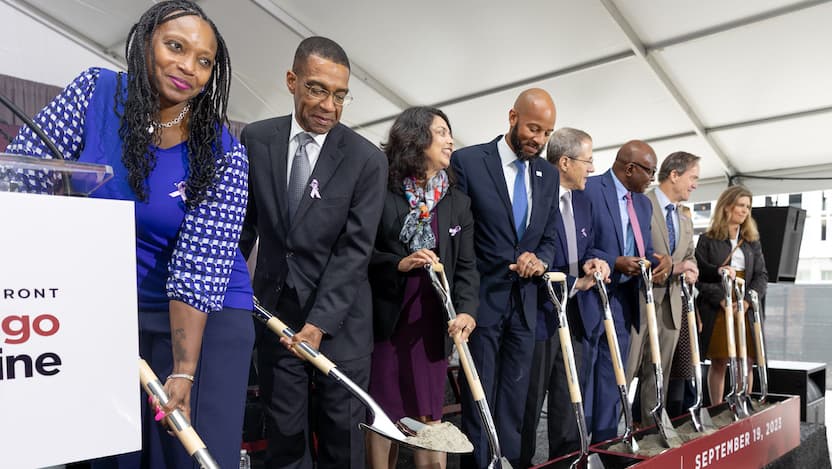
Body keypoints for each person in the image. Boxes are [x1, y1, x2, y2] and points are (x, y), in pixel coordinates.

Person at [7, 2, 253, 467]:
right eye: (175, 47)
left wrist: (184, 370)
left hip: (203, 317)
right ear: (145, 43)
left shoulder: (223, 153)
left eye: (204, 61)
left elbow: (199, 268)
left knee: (180, 456)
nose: (188, 67)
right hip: (108, 310)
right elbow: (23, 177)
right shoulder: (94, 93)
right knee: (111, 453)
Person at [239, 36, 387, 469]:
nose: (329, 105)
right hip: (275, 322)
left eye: (340, 95)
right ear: (292, 80)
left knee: (343, 445)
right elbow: (244, 228)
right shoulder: (257, 139)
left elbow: (354, 251)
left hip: (340, 328)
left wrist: (319, 323)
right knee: (285, 442)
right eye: (318, 89)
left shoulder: (365, 160)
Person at [451, 88, 560, 468]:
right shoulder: (467, 162)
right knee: (479, 399)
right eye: (533, 128)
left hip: (526, 304)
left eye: (546, 133)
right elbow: (460, 233)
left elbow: (549, 235)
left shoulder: (548, 174)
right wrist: (513, 259)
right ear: (512, 117)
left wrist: (540, 260)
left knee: (514, 400)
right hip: (481, 302)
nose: (539, 140)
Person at [367, 106, 479, 469]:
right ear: (416, 138)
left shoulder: (458, 201)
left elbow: (466, 267)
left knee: (430, 415)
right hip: (386, 320)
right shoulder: (381, 190)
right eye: (442, 132)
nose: (450, 140)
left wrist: (466, 311)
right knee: (384, 414)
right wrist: (396, 263)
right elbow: (359, 252)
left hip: (432, 325)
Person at [519, 128, 609, 466]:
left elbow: (595, 242)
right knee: (530, 403)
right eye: (587, 160)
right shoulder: (534, 198)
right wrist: (574, 284)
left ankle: (567, 462)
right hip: (541, 315)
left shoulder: (585, 200)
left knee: (569, 403)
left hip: (579, 318)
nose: (592, 168)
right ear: (565, 161)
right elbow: (531, 254)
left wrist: (596, 259)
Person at [582, 140, 671, 442]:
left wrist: (660, 260)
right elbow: (577, 245)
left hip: (625, 302)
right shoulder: (589, 189)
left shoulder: (643, 204)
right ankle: (576, 449)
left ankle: (604, 446)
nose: (653, 179)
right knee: (585, 383)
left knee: (614, 380)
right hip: (590, 298)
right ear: (630, 168)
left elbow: (641, 247)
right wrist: (613, 262)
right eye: (650, 172)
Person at [629, 151, 700, 424]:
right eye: (692, 177)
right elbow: (638, 253)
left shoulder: (684, 216)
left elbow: (689, 254)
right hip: (637, 303)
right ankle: (611, 439)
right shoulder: (640, 205)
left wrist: (690, 267)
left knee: (658, 376)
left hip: (671, 307)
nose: (695, 184)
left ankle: (652, 432)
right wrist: (675, 267)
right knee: (626, 372)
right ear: (674, 174)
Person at [695, 185, 768, 405]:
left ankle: (741, 405)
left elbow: (761, 275)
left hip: (746, 307)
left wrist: (746, 302)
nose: (745, 211)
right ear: (727, 207)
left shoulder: (752, 240)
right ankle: (717, 409)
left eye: (748, 206)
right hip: (718, 307)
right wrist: (722, 300)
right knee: (720, 360)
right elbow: (700, 277)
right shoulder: (707, 239)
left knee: (747, 360)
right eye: (741, 205)